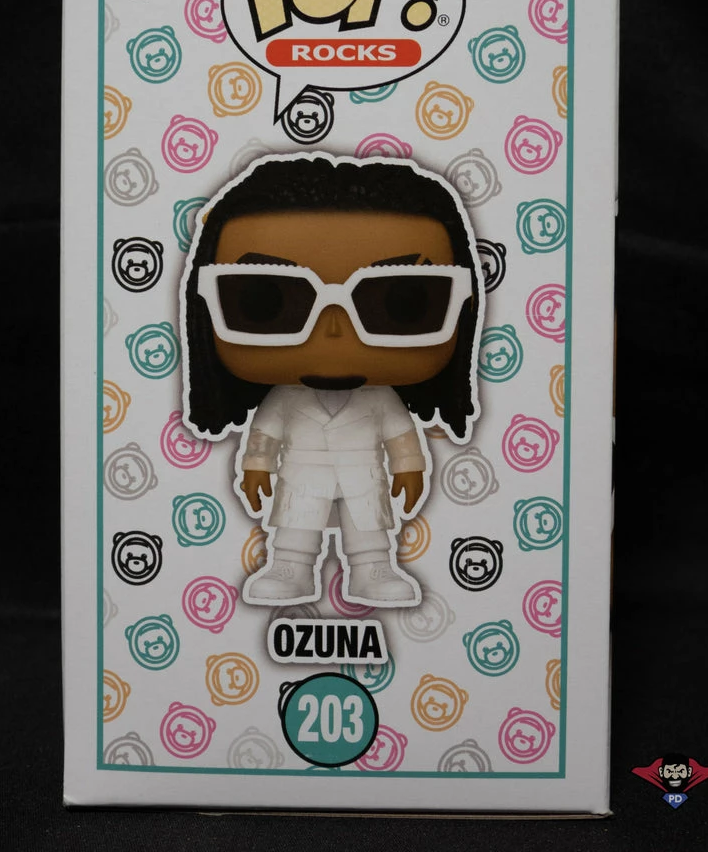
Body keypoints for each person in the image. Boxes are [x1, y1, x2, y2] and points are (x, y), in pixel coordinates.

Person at [181, 153, 483, 606]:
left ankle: (373, 569)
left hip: (363, 475)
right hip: (303, 475)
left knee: (369, 529)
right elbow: (264, 435)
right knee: (295, 527)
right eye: (264, 301)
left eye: (403, 302)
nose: (335, 332)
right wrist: (256, 465)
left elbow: (401, 436)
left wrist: (410, 467)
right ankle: (289, 567)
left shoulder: (380, 400)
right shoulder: (284, 400)